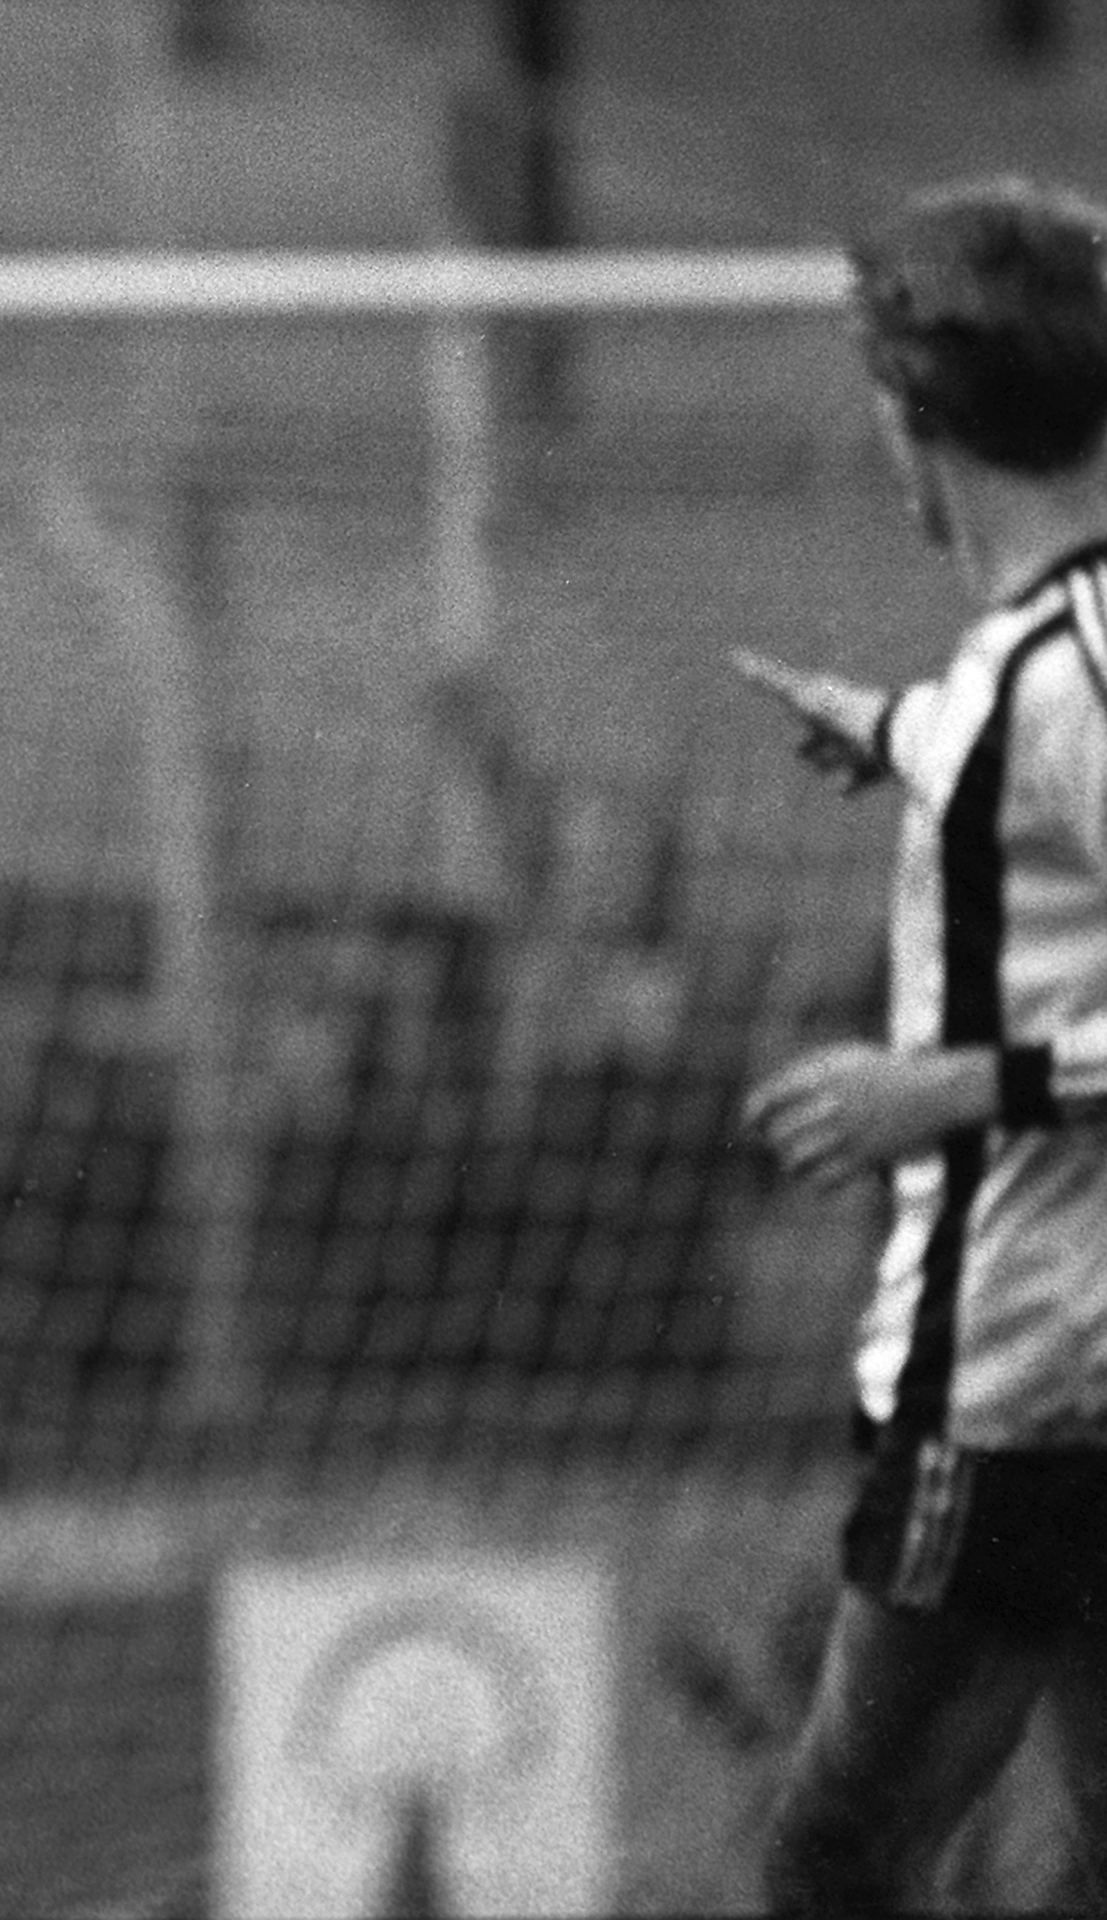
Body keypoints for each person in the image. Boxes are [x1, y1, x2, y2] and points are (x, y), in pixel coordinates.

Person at [735, 175, 1107, 1913]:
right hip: (1054, 1368)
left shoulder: (1071, 682)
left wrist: (959, 1086)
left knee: (832, 1862)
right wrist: (891, 735)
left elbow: (1060, 746)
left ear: (917, 419)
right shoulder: (1035, 662)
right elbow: (1023, 754)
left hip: (1025, 1384)